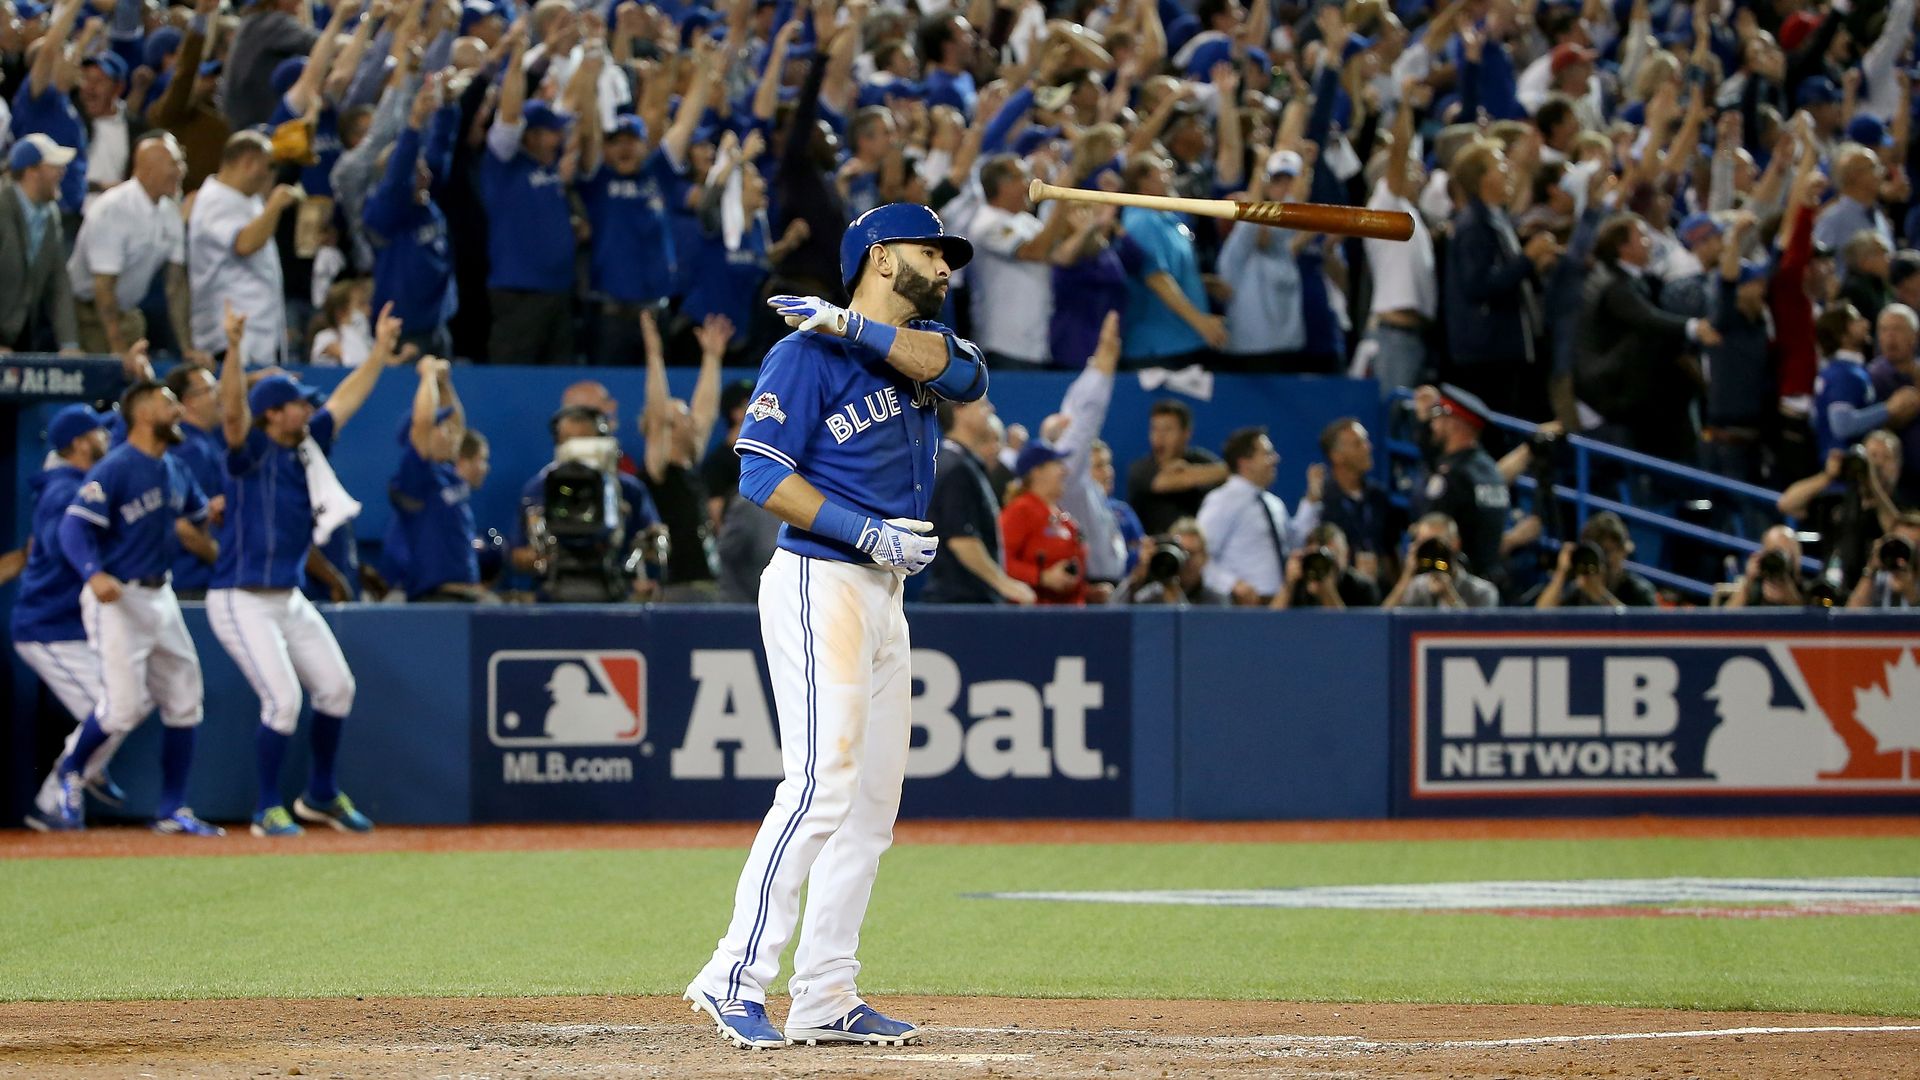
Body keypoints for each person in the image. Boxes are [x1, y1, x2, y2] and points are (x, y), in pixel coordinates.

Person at [686, 203, 985, 1049]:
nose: (946, 267)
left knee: (872, 806)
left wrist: (854, 324)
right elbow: (759, 476)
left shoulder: (917, 348)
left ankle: (824, 993)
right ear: (882, 257)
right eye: (931, 251)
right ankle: (733, 976)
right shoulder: (803, 353)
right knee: (820, 784)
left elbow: (967, 379)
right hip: (822, 580)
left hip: (884, 596)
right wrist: (866, 532)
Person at [208, 302, 403, 838]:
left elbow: (344, 400)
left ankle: (320, 796)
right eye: (297, 404)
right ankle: (267, 808)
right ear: (273, 413)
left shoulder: (306, 444)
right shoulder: (250, 451)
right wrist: (233, 348)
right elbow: (232, 414)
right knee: (283, 701)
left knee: (337, 688)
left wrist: (379, 353)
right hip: (241, 596)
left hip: (288, 596)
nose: (307, 409)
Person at [51, 380, 221, 835]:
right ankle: (71, 770)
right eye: (169, 403)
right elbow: (73, 528)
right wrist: (93, 572)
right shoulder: (117, 466)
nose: (179, 410)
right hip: (118, 597)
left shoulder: (174, 468)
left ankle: (172, 809)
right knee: (122, 709)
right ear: (143, 414)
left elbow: (196, 513)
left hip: (160, 594)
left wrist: (214, 512)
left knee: (185, 700)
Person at [13, 406, 128, 830]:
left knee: (130, 700)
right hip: (47, 628)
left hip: (71, 627)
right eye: (99, 433)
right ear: (79, 443)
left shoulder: (79, 482)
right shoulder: (63, 491)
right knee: (112, 709)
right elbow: (60, 544)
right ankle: (54, 799)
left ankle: (86, 767)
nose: (106, 439)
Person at [479, 23, 583, 364]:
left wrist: (590, 55)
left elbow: (574, 102)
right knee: (512, 375)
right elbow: (510, 112)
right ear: (531, 135)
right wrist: (517, 58)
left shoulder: (548, 165)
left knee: (558, 378)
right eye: (551, 133)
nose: (558, 138)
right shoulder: (504, 160)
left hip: (558, 290)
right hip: (519, 291)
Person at [67, 133, 201, 361]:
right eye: (174, 164)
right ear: (148, 169)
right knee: (113, 373)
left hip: (126, 313)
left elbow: (176, 286)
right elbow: (103, 287)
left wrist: (188, 348)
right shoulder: (113, 209)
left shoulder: (170, 212)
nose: (182, 170)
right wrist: (118, 351)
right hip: (87, 313)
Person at [189, 131, 300, 366]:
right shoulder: (214, 200)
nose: (270, 174)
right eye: (268, 166)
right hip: (228, 334)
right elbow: (245, 244)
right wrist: (275, 204)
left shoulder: (248, 199)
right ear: (248, 162)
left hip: (256, 330)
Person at [639, 308, 728, 601]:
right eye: (681, 417)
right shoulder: (659, 471)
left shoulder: (690, 466)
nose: (691, 421)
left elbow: (706, 413)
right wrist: (654, 355)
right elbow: (657, 416)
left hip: (707, 581)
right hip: (677, 585)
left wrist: (712, 358)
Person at [386, 357, 491, 602]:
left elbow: (458, 424)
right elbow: (423, 423)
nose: (451, 432)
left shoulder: (447, 473)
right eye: (441, 427)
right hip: (434, 598)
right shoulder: (415, 476)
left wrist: (444, 383)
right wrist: (428, 375)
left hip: (463, 595)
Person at [921, 396, 1033, 604]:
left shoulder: (960, 463)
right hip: (961, 604)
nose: (991, 409)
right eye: (982, 404)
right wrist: (1005, 584)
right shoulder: (957, 467)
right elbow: (962, 540)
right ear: (959, 410)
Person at [1196, 426, 1321, 605]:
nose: (1276, 458)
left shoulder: (1274, 503)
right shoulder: (1222, 500)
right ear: (1245, 463)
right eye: (1267, 454)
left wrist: (1311, 501)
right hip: (1242, 607)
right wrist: (1231, 584)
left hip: (1282, 603)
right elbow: (1199, 557)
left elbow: (1294, 544)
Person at [1409, 385, 1514, 593]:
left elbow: (1435, 532)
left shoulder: (1453, 476)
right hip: (1490, 581)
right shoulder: (1489, 471)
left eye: (1438, 418)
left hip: (1455, 586)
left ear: (1455, 423)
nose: (1433, 425)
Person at [1052, 312, 1126, 593]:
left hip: (1113, 589)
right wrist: (1102, 371)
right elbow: (1079, 430)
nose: (1105, 472)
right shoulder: (1073, 486)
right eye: (1096, 465)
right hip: (1088, 588)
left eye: (1107, 464)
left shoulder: (1101, 500)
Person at [1, 134, 80, 353]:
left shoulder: (50, 215)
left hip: (21, 336)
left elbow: (59, 283)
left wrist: (69, 345)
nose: (62, 172)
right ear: (31, 171)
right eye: (54, 166)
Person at [161, 364, 227, 598]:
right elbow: (180, 524)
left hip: (203, 579)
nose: (219, 396)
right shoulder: (188, 448)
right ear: (190, 401)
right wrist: (221, 559)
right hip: (192, 581)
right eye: (211, 389)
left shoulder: (205, 441)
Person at [1000, 440, 1089, 605]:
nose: (1065, 471)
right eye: (1057, 464)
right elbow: (1000, 562)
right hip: (1032, 614)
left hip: (1068, 613)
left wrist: (1089, 593)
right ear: (1036, 472)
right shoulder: (1020, 510)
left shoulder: (1064, 517)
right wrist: (1042, 577)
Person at [1317, 417, 1402, 582]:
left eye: (1366, 441)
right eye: (1358, 444)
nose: (1368, 447)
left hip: (1381, 591)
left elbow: (1392, 552)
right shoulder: (1322, 502)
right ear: (1336, 456)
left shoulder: (1379, 497)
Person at [1126, 398, 1226, 535]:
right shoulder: (1140, 468)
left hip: (1199, 543)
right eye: (1155, 429)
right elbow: (1165, 483)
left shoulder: (1198, 458)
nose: (1159, 437)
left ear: (1186, 433)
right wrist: (1193, 474)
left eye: (1168, 429)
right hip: (1155, 546)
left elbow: (1231, 473)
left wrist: (1189, 469)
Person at [1529, 511, 1658, 608]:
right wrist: (1561, 573)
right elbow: (1541, 618)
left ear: (1623, 551)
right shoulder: (1577, 589)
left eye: (1608, 551)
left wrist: (1601, 596)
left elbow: (1642, 630)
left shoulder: (1640, 591)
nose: (1604, 559)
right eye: (1599, 550)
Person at [1383, 512, 1501, 609]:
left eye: (1435, 544)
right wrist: (1406, 576)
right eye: (1424, 544)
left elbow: (1476, 630)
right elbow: (1383, 622)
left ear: (1455, 544)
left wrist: (1449, 595)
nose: (1430, 552)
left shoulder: (1482, 591)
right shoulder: (1415, 588)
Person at [1868, 304, 1920, 505]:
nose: (1890, 336)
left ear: (1915, 336)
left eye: (1897, 329)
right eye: (1884, 330)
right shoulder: (1873, 377)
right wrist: (1892, 414)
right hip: (1897, 487)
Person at [1113, 517, 1228, 605]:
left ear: (1205, 557)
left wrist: (1175, 596)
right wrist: (1136, 577)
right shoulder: (1152, 595)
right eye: (1180, 551)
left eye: (1191, 553)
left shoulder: (1216, 601)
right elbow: (1114, 612)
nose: (1186, 560)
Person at [1273, 522, 1380, 609]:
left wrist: (1327, 591)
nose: (1323, 565)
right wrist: (1288, 585)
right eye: (1316, 558)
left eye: (1332, 557)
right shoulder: (1299, 582)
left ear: (1346, 555)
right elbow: (1271, 623)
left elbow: (1348, 628)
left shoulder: (1362, 588)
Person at [1724, 525, 1812, 608]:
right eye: (1773, 553)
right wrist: (1748, 582)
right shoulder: (1754, 585)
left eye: (1783, 554)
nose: (1777, 560)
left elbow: (1812, 617)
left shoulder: (1808, 588)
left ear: (1796, 556)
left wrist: (1790, 598)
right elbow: (1726, 617)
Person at [1845, 513, 1920, 608]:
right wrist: (1871, 569)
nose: (1905, 552)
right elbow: (1851, 613)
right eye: (1900, 544)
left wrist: (1911, 593)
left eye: (1914, 545)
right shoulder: (1880, 578)